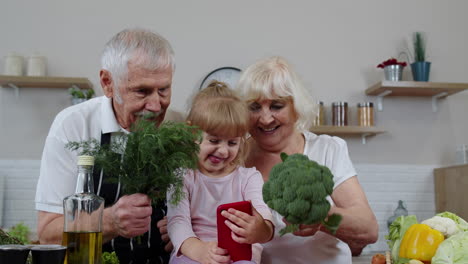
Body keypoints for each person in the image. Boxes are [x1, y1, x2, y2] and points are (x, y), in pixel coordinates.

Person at [35, 28, 176, 264]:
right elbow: (48, 233)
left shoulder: (178, 129)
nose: (155, 105)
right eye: (142, 91)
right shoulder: (74, 126)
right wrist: (110, 220)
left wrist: (183, 226)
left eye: (163, 90)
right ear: (107, 82)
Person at [233, 56, 379, 264]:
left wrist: (322, 218)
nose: (265, 119)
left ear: (296, 107)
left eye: (276, 106)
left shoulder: (328, 150)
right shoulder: (233, 157)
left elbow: (368, 229)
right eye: (254, 107)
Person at [166, 81, 274, 264]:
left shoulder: (248, 178)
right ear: (192, 134)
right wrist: (200, 251)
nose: (223, 151)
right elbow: (177, 222)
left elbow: (265, 218)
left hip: (239, 255)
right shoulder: (183, 176)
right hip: (195, 252)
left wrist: (260, 229)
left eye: (232, 143)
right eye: (214, 141)